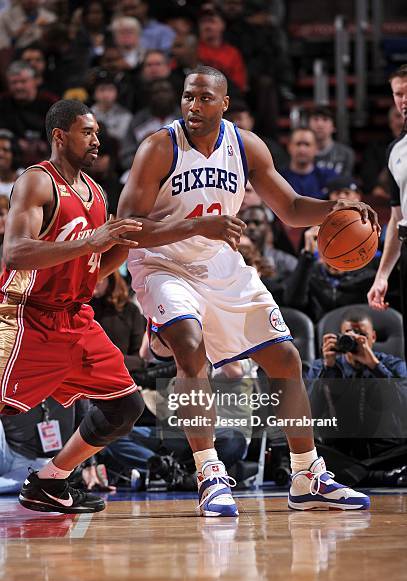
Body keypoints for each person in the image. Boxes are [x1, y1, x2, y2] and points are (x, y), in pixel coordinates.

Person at [117, 65, 378, 516]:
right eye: (187, 98)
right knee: (189, 345)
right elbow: (126, 228)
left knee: (286, 359)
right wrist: (198, 224)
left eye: (203, 99)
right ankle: (209, 472)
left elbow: (292, 208)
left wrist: (338, 208)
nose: (193, 107)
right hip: (162, 263)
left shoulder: (245, 146)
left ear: (224, 105)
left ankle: (307, 475)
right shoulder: (159, 147)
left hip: (218, 263)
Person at [0, 98, 239, 515]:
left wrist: (119, 247)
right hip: (25, 316)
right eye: (86, 132)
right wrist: (92, 241)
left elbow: (94, 269)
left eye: (96, 132)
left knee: (124, 406)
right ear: (59, 136)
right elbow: (17, 252)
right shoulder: (37, 182)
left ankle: (50, 481)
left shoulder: (95, 193)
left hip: (75, 318)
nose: (96, 140)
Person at [306, 308, 407, 488]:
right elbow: (310, 414)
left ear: (374, 337)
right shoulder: (322, 366)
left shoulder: (393, 365)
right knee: (297, 447)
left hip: (387, 450)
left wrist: (375, 366)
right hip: (340, 451)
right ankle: (378, 475)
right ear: (338, 337)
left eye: (362, 335)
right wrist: (328, 369)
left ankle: (354, 475)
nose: (354, 341)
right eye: (348, 335)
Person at [368, 64, 407, 362]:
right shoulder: (395, 149)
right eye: (398, 94)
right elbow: (396, 218)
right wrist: (382, 275)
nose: (403, 100)